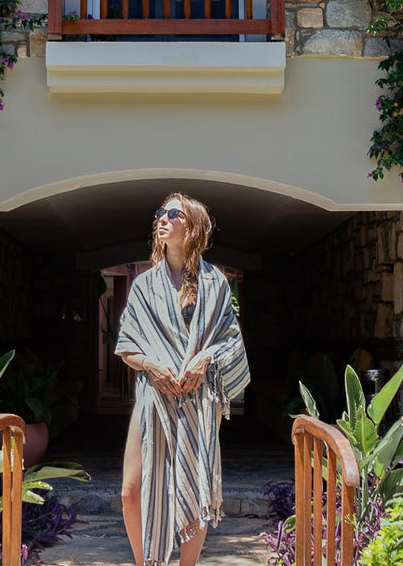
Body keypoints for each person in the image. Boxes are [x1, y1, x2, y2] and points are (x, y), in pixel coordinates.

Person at [116, 193, 250, 566]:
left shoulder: (216, 284)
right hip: (153, 397)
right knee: (130, 490)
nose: (162, 219)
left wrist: (205, 360)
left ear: (192, 227)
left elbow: (231, 341)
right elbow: (127, 345)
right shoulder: (144, 286)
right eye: (159, 212)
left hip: (196, 400)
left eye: (172, 214)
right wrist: (153, 367)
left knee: (194, 490)